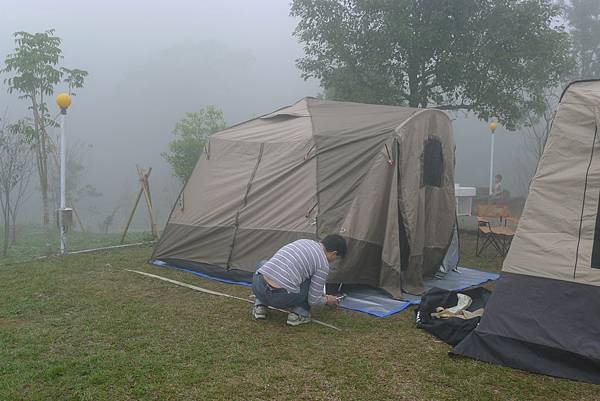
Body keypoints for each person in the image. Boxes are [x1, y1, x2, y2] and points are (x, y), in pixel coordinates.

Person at [251, 234, 347, 326]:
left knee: (264, 264)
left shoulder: (303, 241)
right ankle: (299, 314)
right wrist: (327, 300)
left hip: (258, 287)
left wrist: (322, 295)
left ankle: (260, 305)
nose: (334, 261)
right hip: (281, 298)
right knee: (308, 279)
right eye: (336, 258)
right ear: (334, 253)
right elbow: (314, 301)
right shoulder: (323, 264)